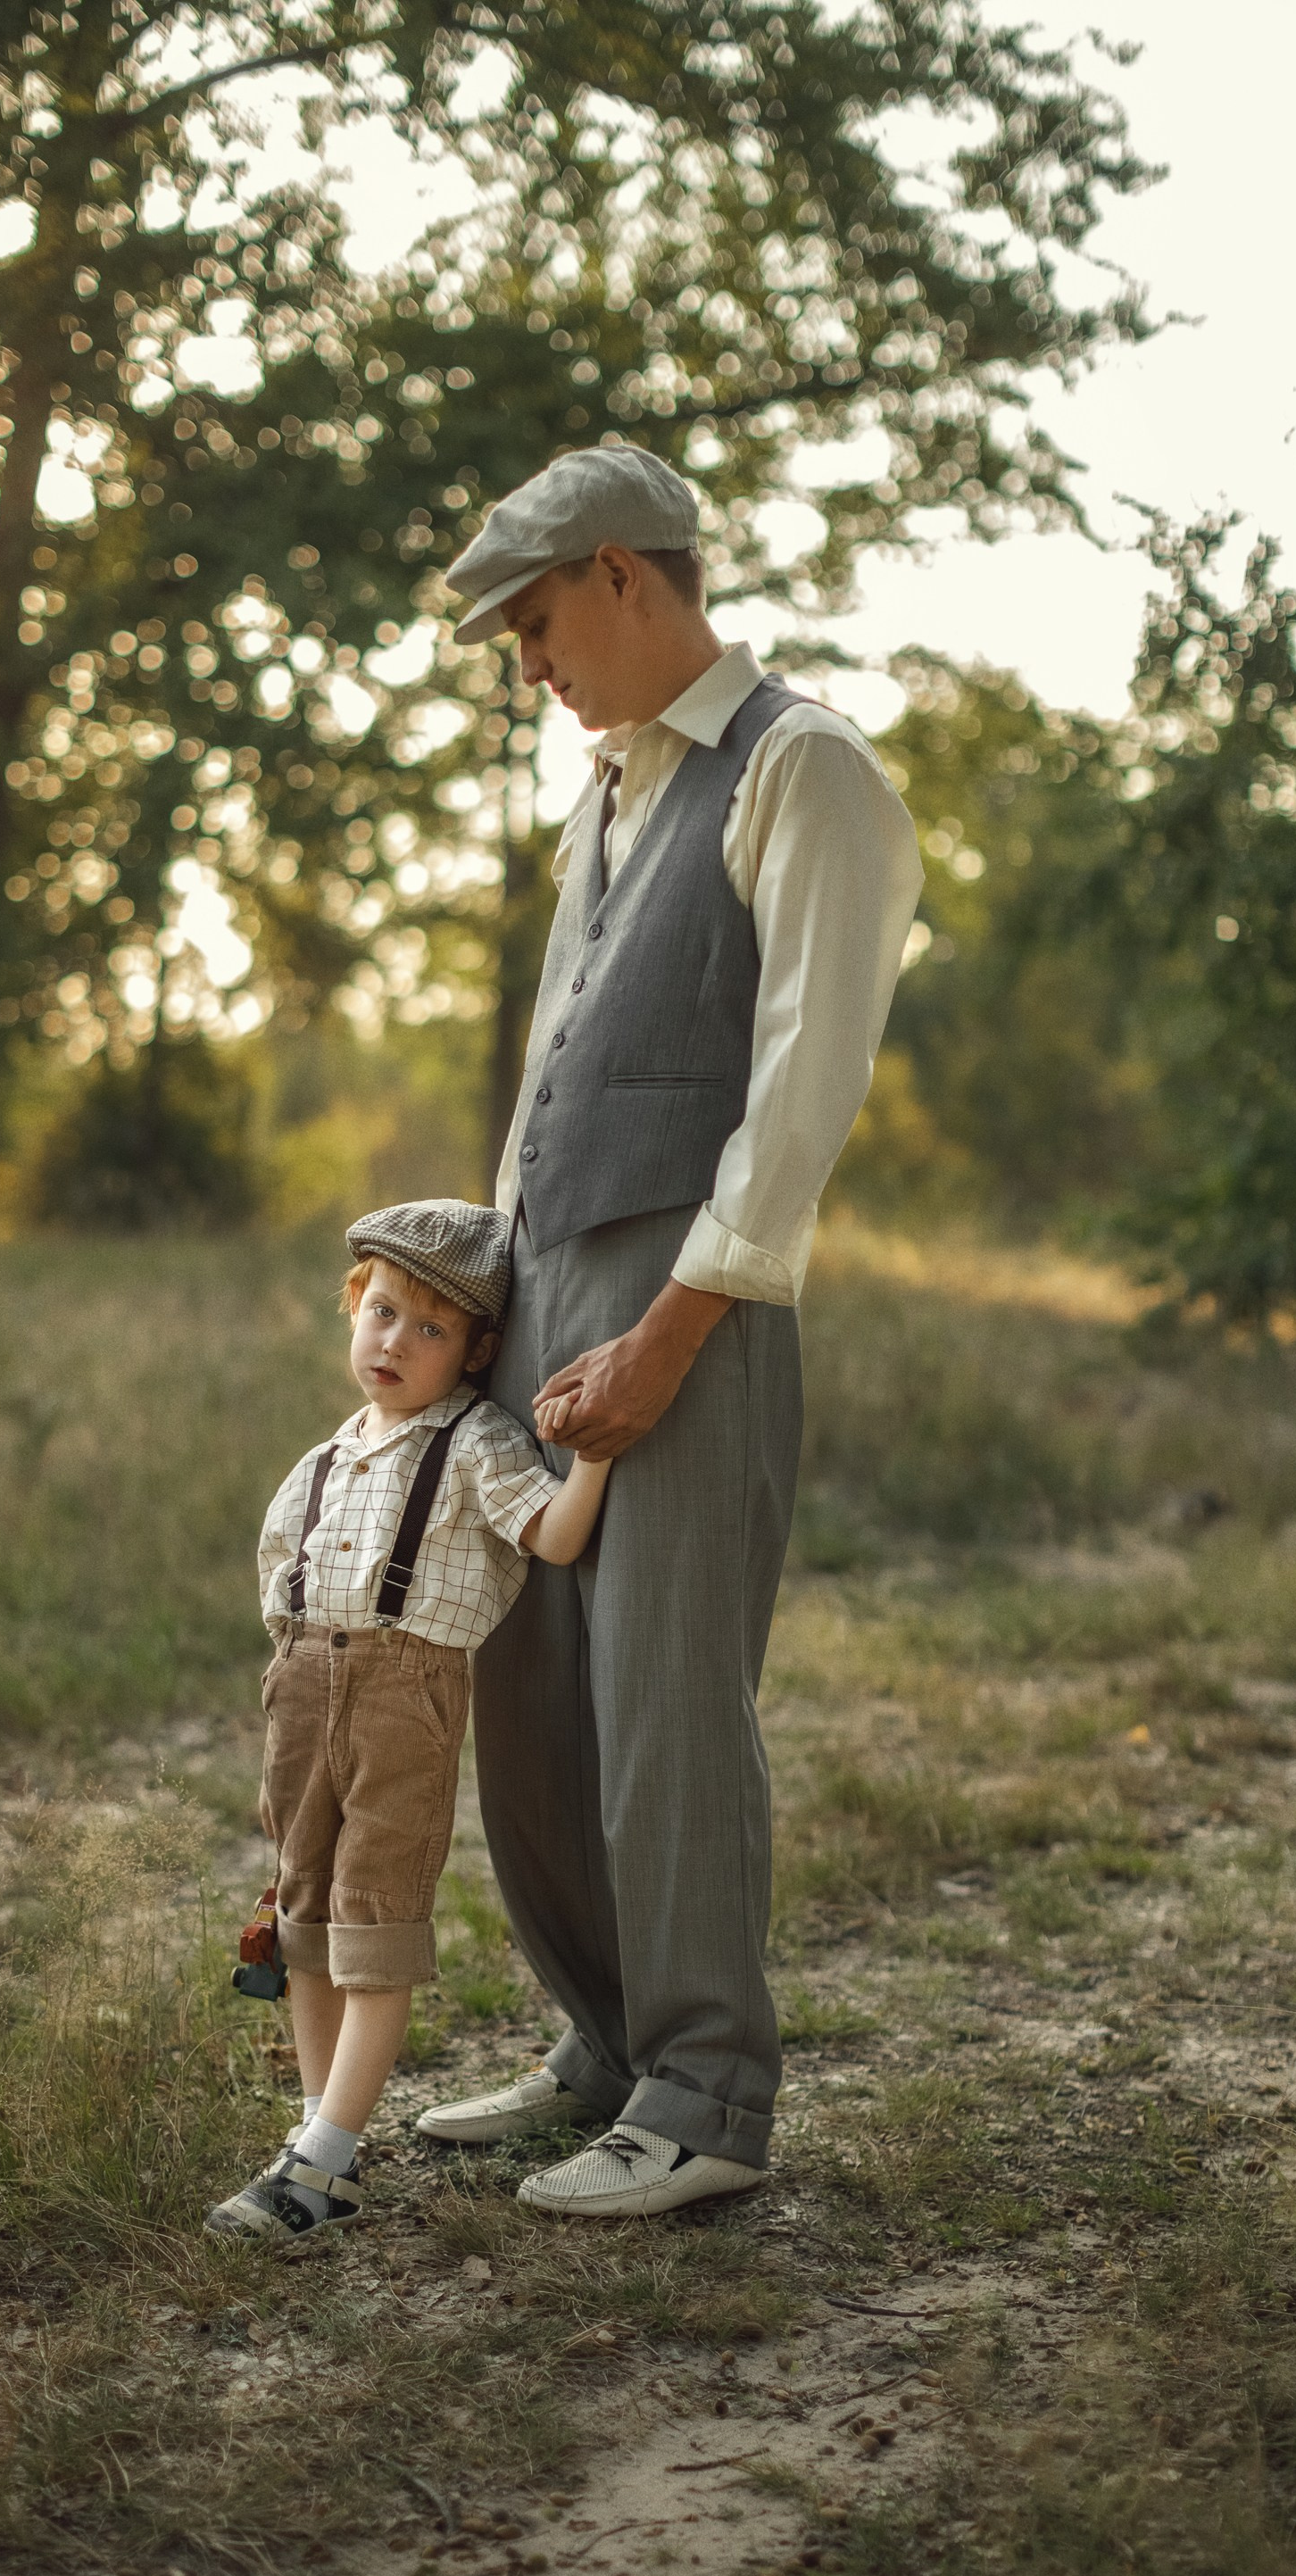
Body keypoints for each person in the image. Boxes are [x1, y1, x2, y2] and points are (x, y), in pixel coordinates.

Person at [414, 444, 923, 2218]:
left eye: (537, 623)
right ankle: (606, 2049)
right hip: (546, 1293)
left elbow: (803, 1093)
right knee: (536, 1702)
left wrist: (665, 1332)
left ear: (625, 574)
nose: (528, 664)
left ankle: (705, 2095)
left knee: (662, 1707)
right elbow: (555, 1075)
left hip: (694, 1302)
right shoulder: (610, 797)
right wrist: (485, 1303)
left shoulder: (803, 767)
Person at [207, 1198, 611, 2241]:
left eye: (429, 1328)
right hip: (303, 1684)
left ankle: (323, 2158)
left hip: (405, 1691)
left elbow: (554, 1538)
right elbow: (279, 1572)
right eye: (382, 1312)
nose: (394, 1341)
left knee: (374, 1918)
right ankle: (320, 2142)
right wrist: (292, 1667)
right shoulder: (326, 1456)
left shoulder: (475, 1441)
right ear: (353, 1306)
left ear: (475, 1352)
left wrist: (596, 1454)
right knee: (303, 1913)